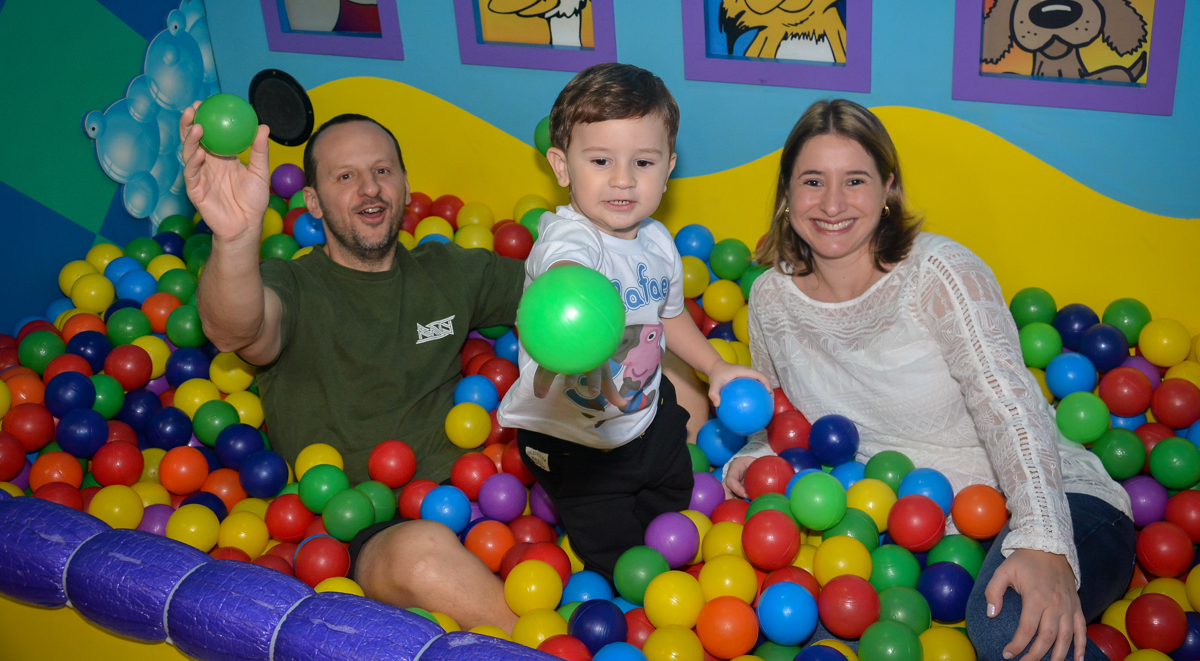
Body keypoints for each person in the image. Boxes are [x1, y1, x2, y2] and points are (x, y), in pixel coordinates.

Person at [722, 100, 1134, 661]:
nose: (833, 203)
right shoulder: (771, 298)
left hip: (1050, 498)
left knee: (1005, 631)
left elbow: (1009, 405)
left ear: (888, 188)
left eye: (855, 180)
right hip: (894, 523)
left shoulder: (938, 273)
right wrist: (751, 455)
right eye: (813, 181)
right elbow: (774, 411)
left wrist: (1045, 541)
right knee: (811, 633)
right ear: (787, 194)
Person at [181, 107, 525, 631]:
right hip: (363, 525)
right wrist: (234, 239)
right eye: (345, 177)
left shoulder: (450, 270)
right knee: (422, 557)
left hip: (492, 495)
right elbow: (235, 330)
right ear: (313, 202)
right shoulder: (292, 285)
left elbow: (559, 292)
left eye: (382, 170)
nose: (370, 188)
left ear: (404, 184)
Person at [497, 63, 771, 578]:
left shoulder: (658, 242)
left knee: (673, 487)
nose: (622, 179)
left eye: (643, 162)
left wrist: (715, 366)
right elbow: (563, 269)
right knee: (616, 551)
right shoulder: (569, 240)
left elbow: (670, 316)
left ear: (668, 170)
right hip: (573, 439)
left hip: (644, 411)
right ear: (562, 167)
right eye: (600, 160)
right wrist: (569, 283)